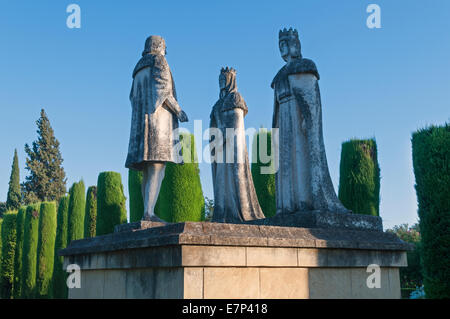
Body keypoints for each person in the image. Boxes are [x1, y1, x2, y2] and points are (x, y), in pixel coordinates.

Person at [126, 35, 188, 221]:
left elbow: (131, 97)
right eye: (164, 47)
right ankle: (149, 213)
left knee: (147, 168)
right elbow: (163, 91)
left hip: (140, 124)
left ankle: (147, 211)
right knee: (157, 166)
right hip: (158, 124)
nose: (165, 51)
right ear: (159, 46)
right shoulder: (159, 61)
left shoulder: (138, 68)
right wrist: (179, 111)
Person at [210, 67, 265, 223]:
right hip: (220, 149)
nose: (221, 82)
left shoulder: (235, 98)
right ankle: (223, 214)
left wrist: (223, 137)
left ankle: (238, 214)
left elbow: (236, 123)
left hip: (233, 148)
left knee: (236, 181)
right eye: (220, 79)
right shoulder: (217, 104)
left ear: (231, 80)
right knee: (221, 183)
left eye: (224, 79)